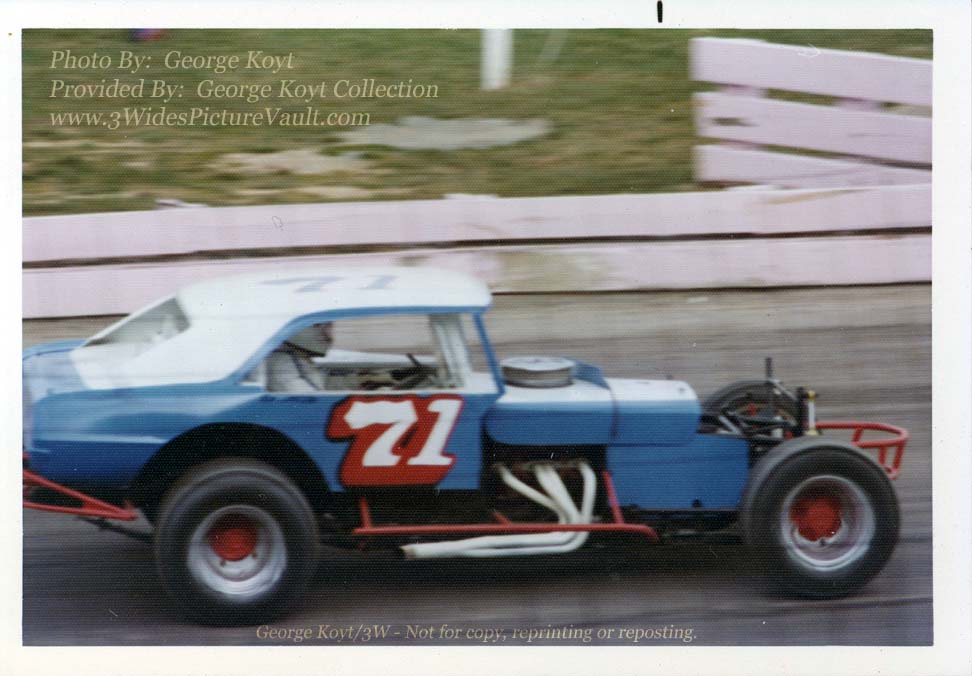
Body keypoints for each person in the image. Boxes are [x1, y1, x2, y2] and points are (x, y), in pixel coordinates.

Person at [265, 322, 333, 393]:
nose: (328, 334)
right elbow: (306, 397)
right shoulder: (282, 364)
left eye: (329, 326)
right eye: (317, 325)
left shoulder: (301, 358)